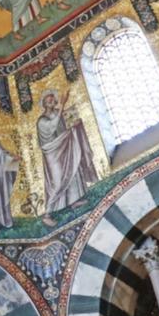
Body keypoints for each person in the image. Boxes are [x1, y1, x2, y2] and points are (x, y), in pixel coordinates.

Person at [35, 92, 98, 220]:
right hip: (52, 152)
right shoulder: (42, 121)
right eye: (49, 100)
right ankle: (47, 213)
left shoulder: (60, 112)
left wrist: (76, 125)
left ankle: (73, 201)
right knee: (57, 181)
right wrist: (63, 104)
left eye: (53, 99)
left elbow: (67, 127)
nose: (52, 101)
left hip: (65, 146)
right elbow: (52, 127)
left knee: (72, 172)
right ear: (44, 104)